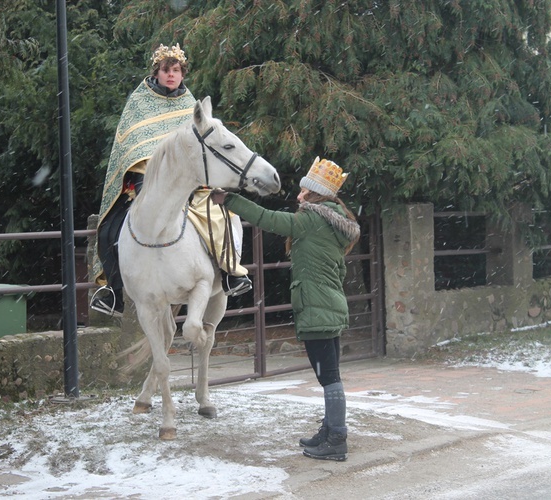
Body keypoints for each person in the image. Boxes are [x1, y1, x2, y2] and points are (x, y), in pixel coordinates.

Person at [210, 157, 360, 461]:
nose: (298, 196)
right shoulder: (331, 223)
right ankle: (331, 430)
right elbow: (339, 272)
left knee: (328, 376)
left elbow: (268, 219)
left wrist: (230, 199)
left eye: (304, 191)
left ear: (315, 195)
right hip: (328, 306)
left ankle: (337, 439)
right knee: (330, 374)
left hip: (318, 310)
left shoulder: (310, 221)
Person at [91, 43, 252, 317]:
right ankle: (113, 293)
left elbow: (202, 149)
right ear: (157, 72)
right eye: (166, 70)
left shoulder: (192, 106)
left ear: (182, 74)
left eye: (176, 70)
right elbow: (131, 146)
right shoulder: (138, 104)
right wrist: (146, 176)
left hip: (189, 185)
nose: (171, 75)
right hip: (143, 185)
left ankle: (229, 274)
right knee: (108, 230)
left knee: (221, 218)